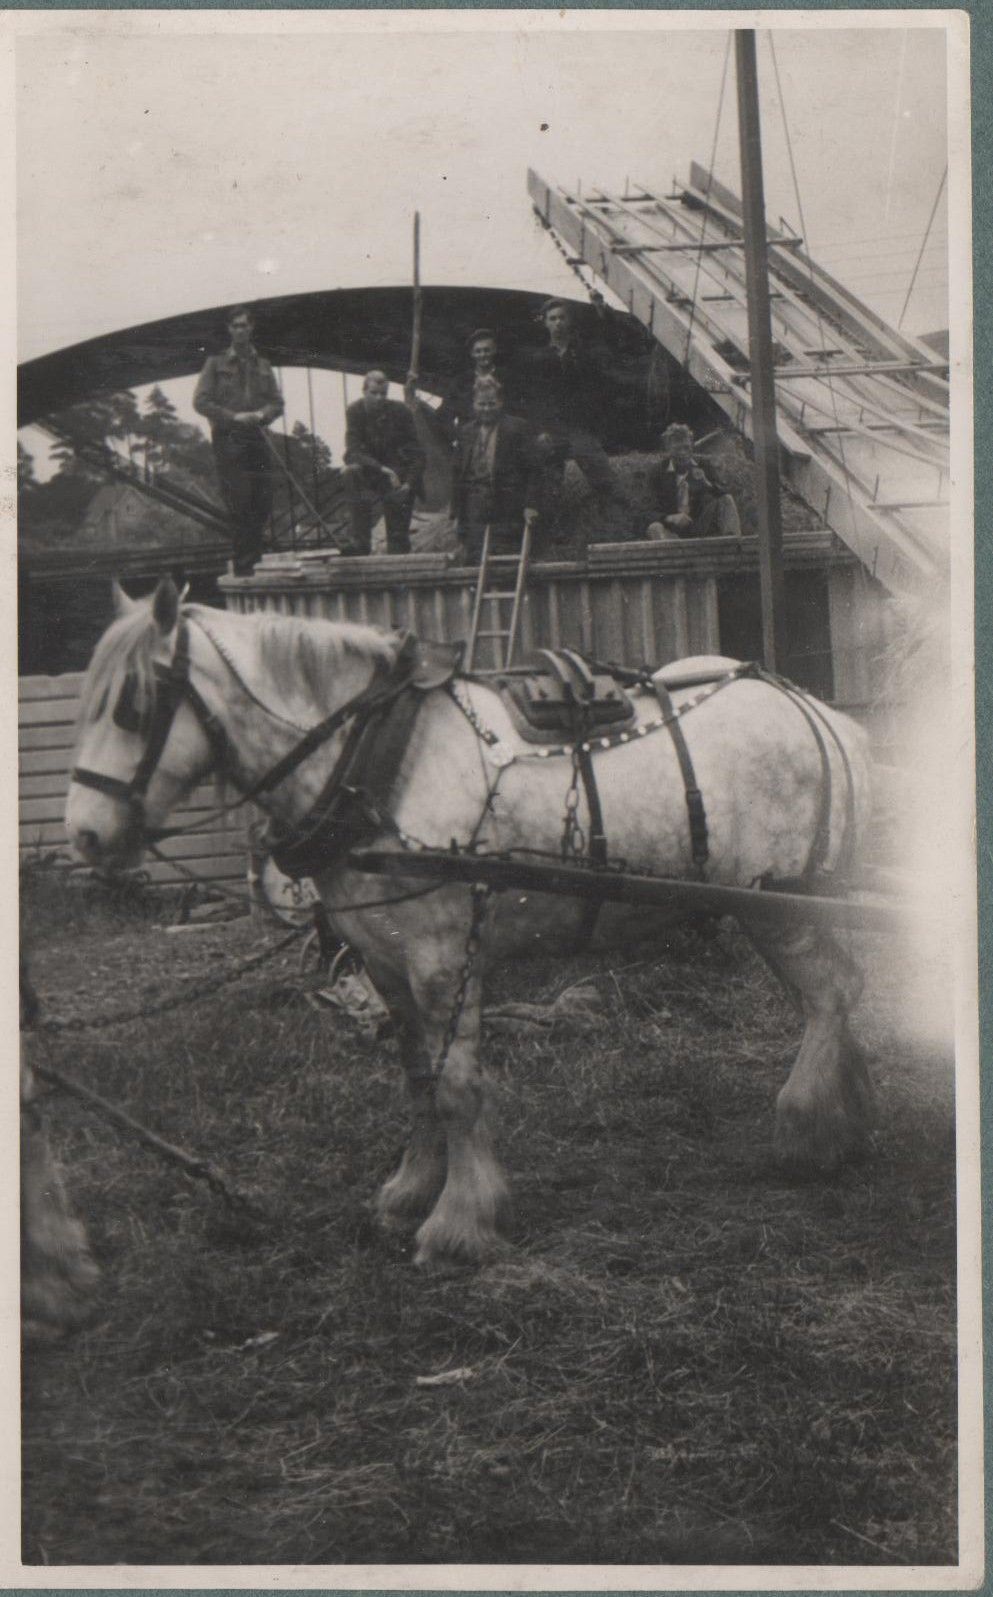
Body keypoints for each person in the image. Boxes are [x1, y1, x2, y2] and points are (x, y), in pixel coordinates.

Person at [193, 306, 285, 575]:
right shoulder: (215, 363)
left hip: (257, 437)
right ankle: (246, 568)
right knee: (240, 501)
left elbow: (277, 402)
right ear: (229, 330)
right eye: (235, 326)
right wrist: (233, 417)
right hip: (229, 439)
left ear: (251, 327)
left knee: (262, 499)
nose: (240, 330)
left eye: (244, 325)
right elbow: (201, 401)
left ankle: (256, 561)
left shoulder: (264, 365)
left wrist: (260, 415)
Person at [522, 298, 626, 512]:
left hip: (580, 427)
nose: (558, 323)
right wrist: (539, 430)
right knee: (546, 485)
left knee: (605, 480)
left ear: (569, 322)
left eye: (562, 318)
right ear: (546, 323)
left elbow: (609, 343)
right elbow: (534, 399)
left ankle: (615, 523)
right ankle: (551, 530)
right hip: (552, 430)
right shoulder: (539, 358)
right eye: (553, 319)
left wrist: (603, 313)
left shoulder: (584, 352)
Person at [450, 377, 540, 564]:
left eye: (491, 403)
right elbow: (458, 474)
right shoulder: (466, 432)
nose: (486, 409)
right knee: (475, 556)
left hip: (507, 503)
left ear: (500, 402)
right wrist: (457, 513)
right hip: (475, 503)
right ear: (474, 404)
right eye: (481, 404)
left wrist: (531, 504)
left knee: (506, 557)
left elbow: (534, 469)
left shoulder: (516, 427)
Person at [340, 370, 426, 554]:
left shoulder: (401, 411)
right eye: (374, 393)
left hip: (397, 476)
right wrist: (381, 469)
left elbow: (417, 452)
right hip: (372, 471)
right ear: (364, 391)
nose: (379, 398)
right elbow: (352, 451)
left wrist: (410, 484)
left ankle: (398, 547)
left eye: (383, 394)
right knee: (351, 472)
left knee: (397, 543)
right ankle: (359, 543)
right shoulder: (354, 411)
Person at [645, 424, 742, 540]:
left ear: (692, 446)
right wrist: (671, 518)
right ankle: (675, 553)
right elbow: (648, 511)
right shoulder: (657, 472)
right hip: (672, 531)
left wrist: (707, 483)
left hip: (700, 525)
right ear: (668, 449)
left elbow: (724, 493)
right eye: (677, 449)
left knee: (727, 500)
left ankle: (734, 547)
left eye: (686, 448)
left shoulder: (703, 465)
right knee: (654, 528)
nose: (683, 453)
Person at [433, 328, 518, 440]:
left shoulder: (507, 379)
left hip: (501, 440)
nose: (483, 355)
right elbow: (444, 414)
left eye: (487, 350)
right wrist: (457, 436)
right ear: (472, 353)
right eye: (478, 351)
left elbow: (516, 412)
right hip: (469, 441)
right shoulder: (461, 382)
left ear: (494, 350)